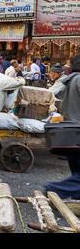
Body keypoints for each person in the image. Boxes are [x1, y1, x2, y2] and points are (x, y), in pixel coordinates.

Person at [45, 54, 80, 199]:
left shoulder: (70, 80)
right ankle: (55, 189)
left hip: (71, 132)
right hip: (77, 132)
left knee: (77, 172)